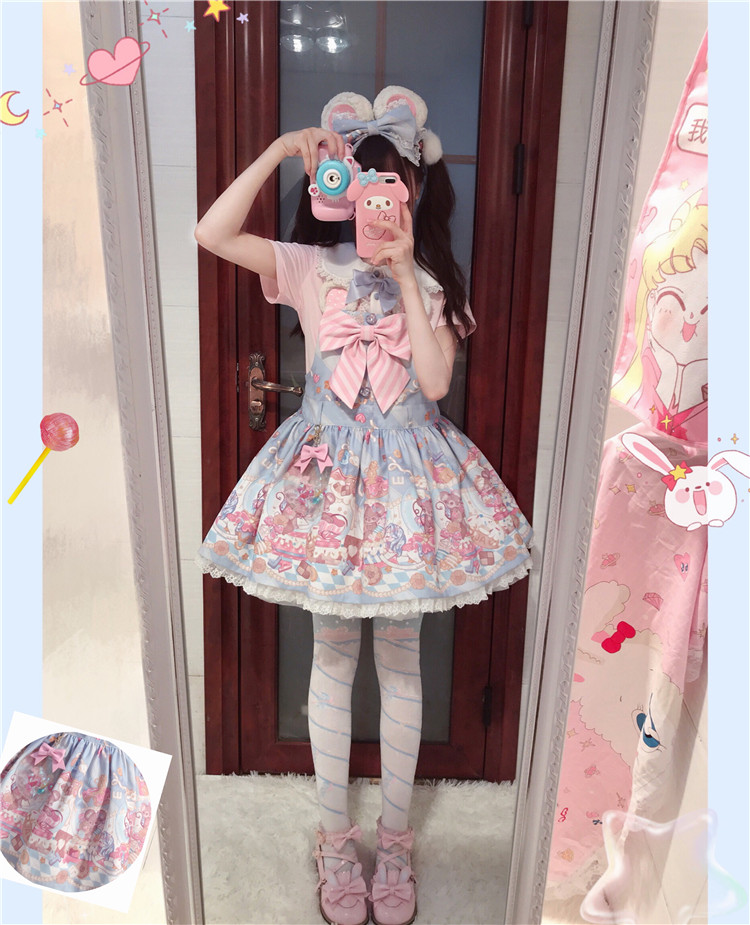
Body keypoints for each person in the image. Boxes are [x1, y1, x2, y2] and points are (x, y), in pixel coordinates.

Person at [195, 87, 532, 925]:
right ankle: (334, 838)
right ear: (338, 188)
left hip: (410, 484)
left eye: (393, 183)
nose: (378, 198)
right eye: (364, 181)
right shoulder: (310, 267)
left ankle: (396, 842)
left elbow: (435, 384)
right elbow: (212, 233)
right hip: (328, 484)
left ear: (413, 190)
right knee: (334, 658)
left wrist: (407, 273)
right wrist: (281, 152)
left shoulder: (435, 280)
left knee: (404, 661)